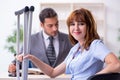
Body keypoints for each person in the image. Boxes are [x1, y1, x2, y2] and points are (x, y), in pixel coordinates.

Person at [17, 8, 120, 80]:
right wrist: (32, 57)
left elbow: (116, 64)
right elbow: (53, 73)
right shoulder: (75, 49)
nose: (76, 28)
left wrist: (93, 78)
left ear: (89, 26)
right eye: (72, 24)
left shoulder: (95, 45)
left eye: (81, 24)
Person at [8, 8, 72, 74]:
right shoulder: (30, 40)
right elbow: (20, 59)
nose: (55, 28)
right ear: (41, 25)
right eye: (50, 26)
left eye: (56, 24)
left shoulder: (68, 39)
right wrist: (13, 65)